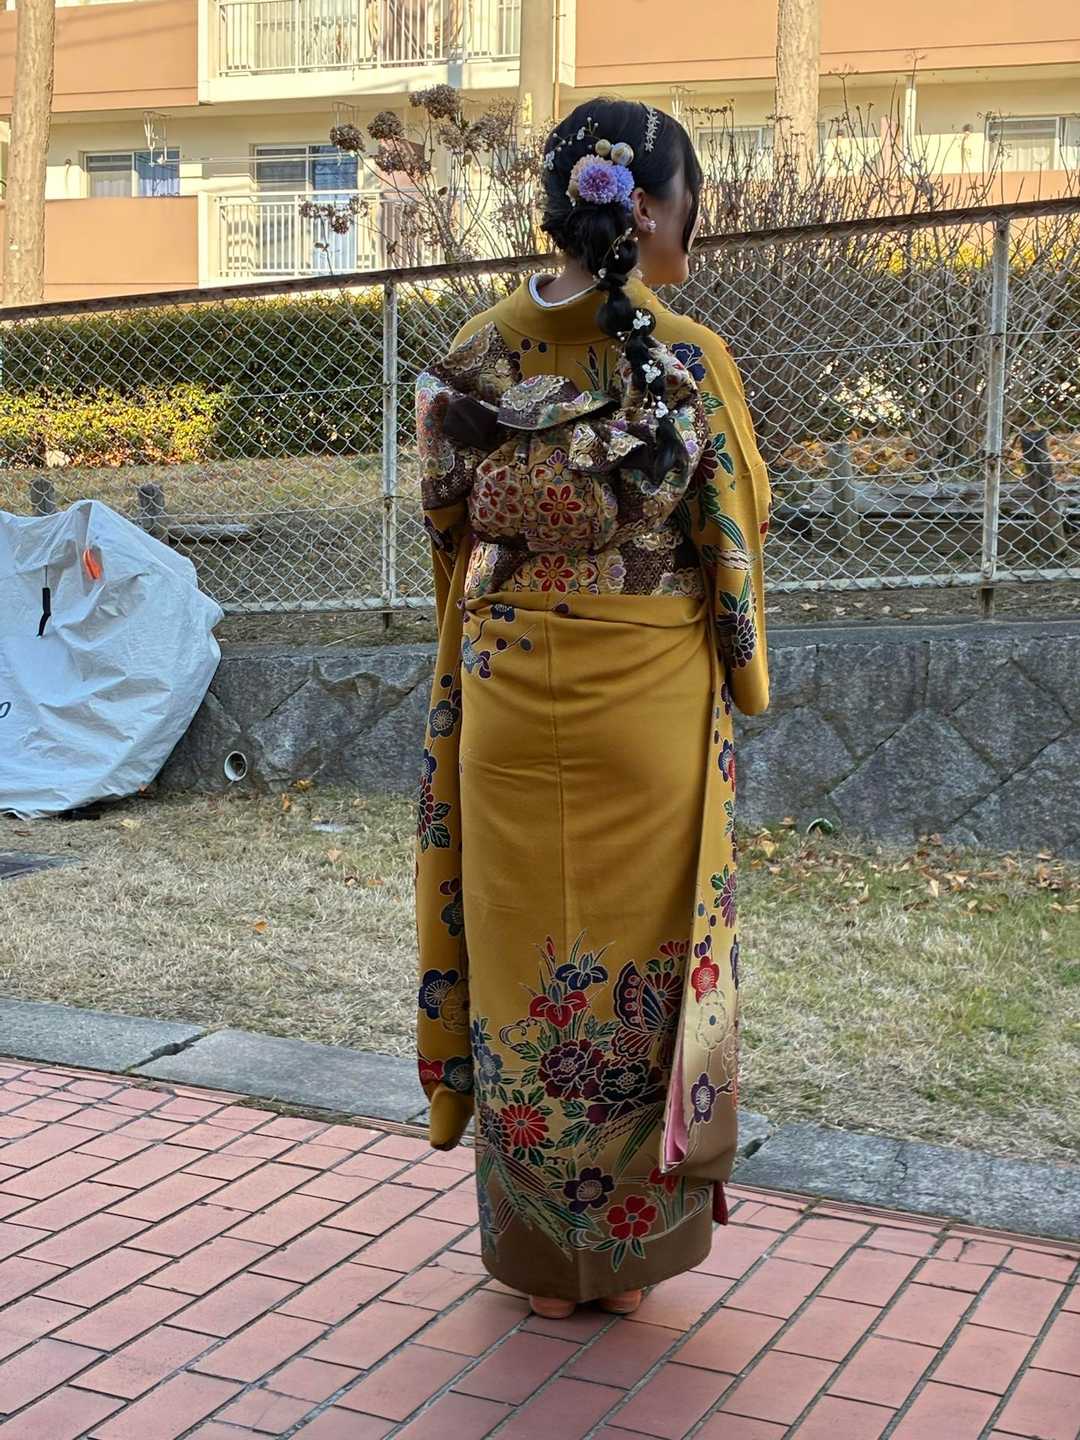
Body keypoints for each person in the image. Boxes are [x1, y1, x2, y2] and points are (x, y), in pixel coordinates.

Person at [414, 98, 772, 1319]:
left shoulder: (476, 350)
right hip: (649, 705)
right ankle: (627, 1261)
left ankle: (538, 1262)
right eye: (691, 206)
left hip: (511, 695)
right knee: (648, 969)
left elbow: (447, 530)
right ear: (653, 211)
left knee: (525, 971)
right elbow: (735, 526)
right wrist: (741, 663)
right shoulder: (687, 356)